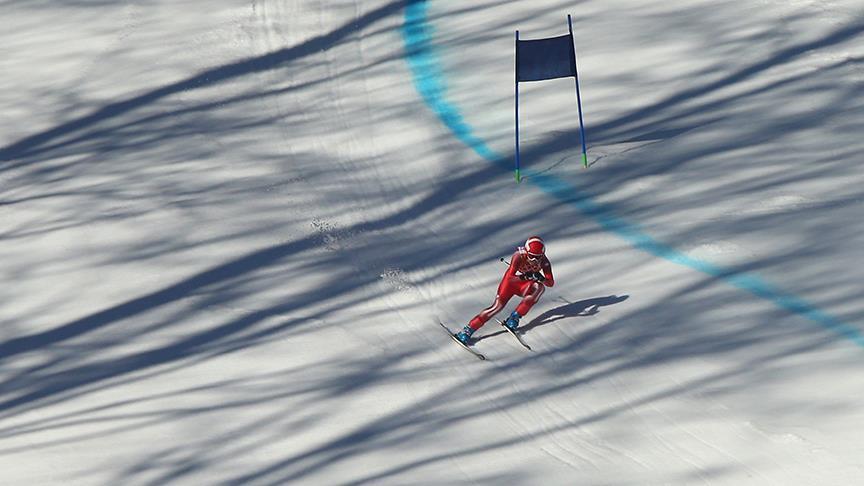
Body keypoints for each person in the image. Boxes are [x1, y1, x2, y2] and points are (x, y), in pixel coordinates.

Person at [455, 236, 555, 344]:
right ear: (526, 252)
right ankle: (468, 330)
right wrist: (526, 276)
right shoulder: (518, 256)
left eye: (538, 257)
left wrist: (542, 278)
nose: (534, 260)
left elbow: (550, 283)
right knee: (496, 308)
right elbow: (511, 277)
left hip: (523, 286)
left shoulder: (544, 262)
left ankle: (515, 317)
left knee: (539, 288)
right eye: (531, 256)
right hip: (509, 284)